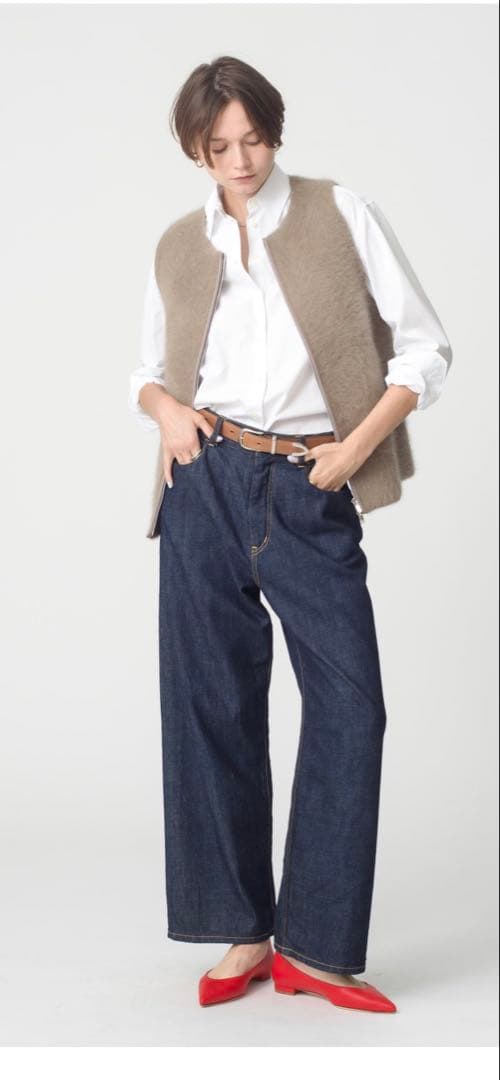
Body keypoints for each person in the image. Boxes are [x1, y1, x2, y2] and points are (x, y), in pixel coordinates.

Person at [129, 56, 452, 1012]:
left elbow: (427, 348)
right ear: (195, 150)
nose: (240, 160)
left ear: (276, 131)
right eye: (218, 146)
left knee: (351, 705)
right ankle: (244, 931)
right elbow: (145, 372)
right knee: (212, 707)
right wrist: (167, 414)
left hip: (310, 483)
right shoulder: (179, 244)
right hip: (205, 482)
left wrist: (353, 450)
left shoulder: (339, 213)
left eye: (254, 139)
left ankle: (317, 945)